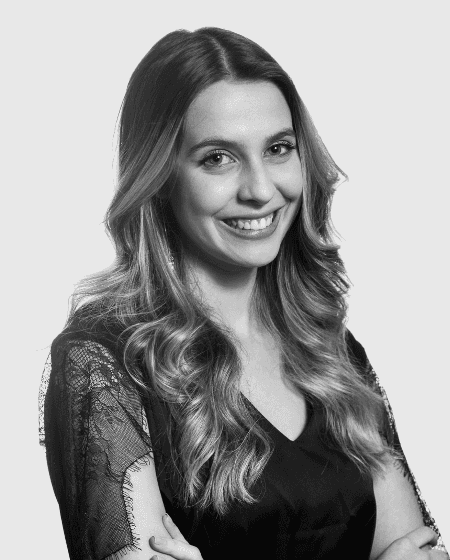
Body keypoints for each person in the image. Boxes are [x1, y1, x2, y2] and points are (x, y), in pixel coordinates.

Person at [38, 27, 448, 560]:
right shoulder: (105, 361)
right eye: (217, 158)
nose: (260, 189)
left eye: (278, 149)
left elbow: (418, 549)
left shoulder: (330, 350)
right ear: (159, 177)